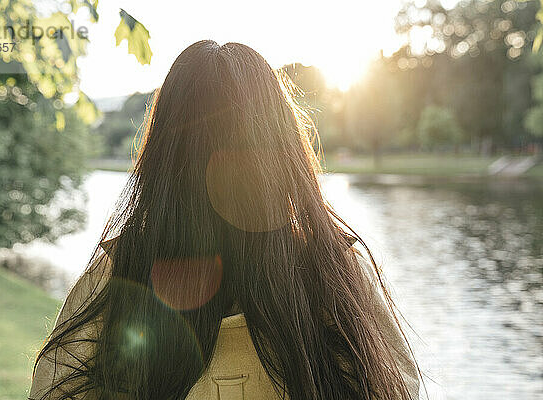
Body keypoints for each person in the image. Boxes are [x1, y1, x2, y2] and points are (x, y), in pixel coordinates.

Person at [29, 40, 421, 400]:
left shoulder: (118, 273)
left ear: (166, 156)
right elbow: (399, 387)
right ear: (280, 150)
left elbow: (53, 389)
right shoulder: (333, 268)